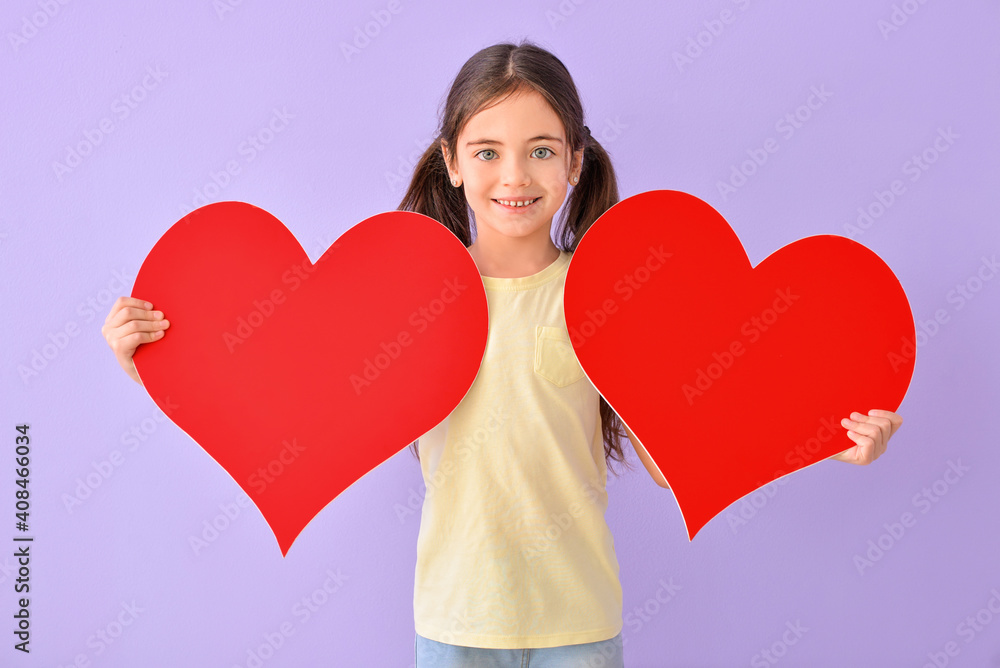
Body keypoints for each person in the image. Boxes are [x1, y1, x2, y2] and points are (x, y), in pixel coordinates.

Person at [102, 39, 903, 668]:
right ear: (450, 163)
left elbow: (679, 455)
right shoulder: (407, 304)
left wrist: (829, 439)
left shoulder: (613, 298)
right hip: (453, 623)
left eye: (542, 150)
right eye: (486, 151)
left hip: (580, 623)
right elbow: (289, 411)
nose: (514, 175)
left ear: (576, 162)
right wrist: (153, 363)